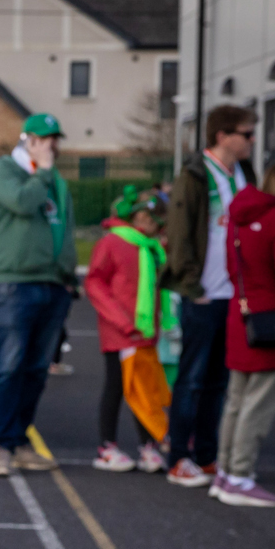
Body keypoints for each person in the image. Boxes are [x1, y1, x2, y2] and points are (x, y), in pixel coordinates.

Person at [165, 103, 258, 488]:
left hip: (234, 295)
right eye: (246, 134)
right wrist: (192, 285)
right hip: (204, 293)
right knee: (191, 378)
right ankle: (178, 457)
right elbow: (179, 232)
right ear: (223, 136)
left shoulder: (245, 172)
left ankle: (205, 455)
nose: (252, 140)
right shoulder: (195, 174)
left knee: (218, 381)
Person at [0, 113, 76, 477]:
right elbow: (22, 202)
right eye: (45, 138)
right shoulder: (3, 170)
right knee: (7, 367)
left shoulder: (55, 180)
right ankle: (1, 446)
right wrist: (43, 171)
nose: (52, 145)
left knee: (35, 370)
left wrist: (67, 275)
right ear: (28, 140)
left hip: (52, 284)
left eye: (55, 138)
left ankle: (19, 441)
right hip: (11, 283)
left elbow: (64, 228)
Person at [214, 158, 275, 506]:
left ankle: (225, 472)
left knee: (236, 401)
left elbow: (231, 266)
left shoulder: (239, 215)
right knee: (258, 405)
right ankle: (240, 475)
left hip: (242, 315)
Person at [85, 188, 174, 474]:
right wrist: (122, 321)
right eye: (149, 218)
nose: (153, 225)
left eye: (157, 221)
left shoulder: (152, 248)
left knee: (145, 389)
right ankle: (106, 447)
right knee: (117, 386)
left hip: (144, 331)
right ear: (136, 216)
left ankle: (148, 445)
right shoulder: (113, 242)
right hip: (120, 331)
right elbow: (95, 283)